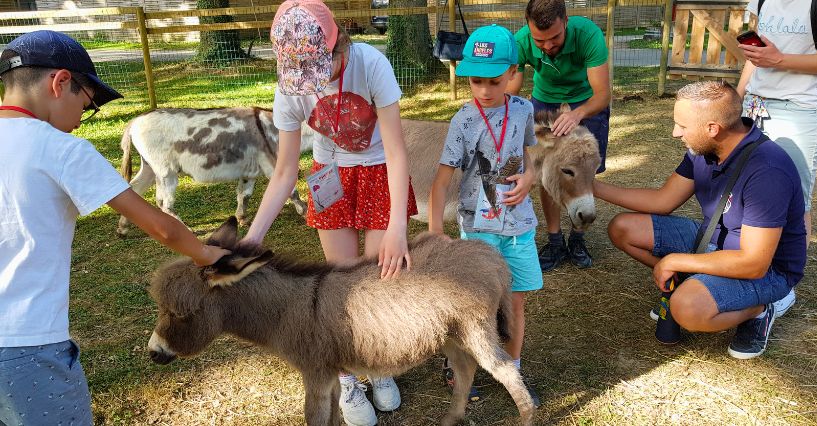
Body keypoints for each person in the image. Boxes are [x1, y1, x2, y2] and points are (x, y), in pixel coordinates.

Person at [0, 30, 229, 426]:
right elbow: (161, 227)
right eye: (87, 106)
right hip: (27, 344)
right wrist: (210, 255)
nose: (80, 120)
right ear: (61, 82)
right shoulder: (61, 149)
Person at [238, 1, 416, 425]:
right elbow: (284, 173)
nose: (315, 81)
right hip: (330, 174)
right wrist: (253, 239)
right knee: (341, 283)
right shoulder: (290, 86)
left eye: (324, 66)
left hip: (377, 170)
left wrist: (397, 227)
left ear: (340, 44)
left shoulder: (371, 65)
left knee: (377, 278)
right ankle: (348, 375)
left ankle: (379, 365)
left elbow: (396, 150)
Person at [594, 80, 806, 359]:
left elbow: (753, 263)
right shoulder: (704, 150)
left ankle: (760, 310)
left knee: (687, 309)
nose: (674, 133)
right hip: (712, 240)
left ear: (712, 129)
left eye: (681, 126)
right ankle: (690, 281)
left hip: (767, 270)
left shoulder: (767, 170)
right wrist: (591, 187)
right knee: (623, 228)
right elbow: (663, 201)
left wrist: (675, 261)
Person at [429, 24, 542, 405]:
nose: (484, 91)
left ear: (513, 73)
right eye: (476, 82)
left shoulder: (524, 110)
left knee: (514, 303)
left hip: (519, 226)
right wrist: (434, 234)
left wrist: (530, 178)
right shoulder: (463, 120)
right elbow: (441, 181)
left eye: (494, 81)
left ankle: (513, 368)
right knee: (474, 304)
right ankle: (459, 365)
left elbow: (531, 156)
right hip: (478, 228)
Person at [505, 0, 611, 271]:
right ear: (529, 30)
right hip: (544, 102)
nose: (548, 46)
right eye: (540, 41)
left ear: (566, 21)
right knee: (545, 173)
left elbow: (602, 94)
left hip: (586, 104)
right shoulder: (521, 41)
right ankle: (555, 240)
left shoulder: (588, 35)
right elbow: (512, 88)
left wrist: (577, 114)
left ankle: (578, 237)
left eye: (554, 38)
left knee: (584, 170)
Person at [736, 0, 817, 316]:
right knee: (745, 190)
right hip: (755, 104)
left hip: (800, 109)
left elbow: (775, 57)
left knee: (796, 200)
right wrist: (738, 97)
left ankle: (783, 287)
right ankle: (747, 265)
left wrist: (780, 59)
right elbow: (757, 58)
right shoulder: (761, 0)